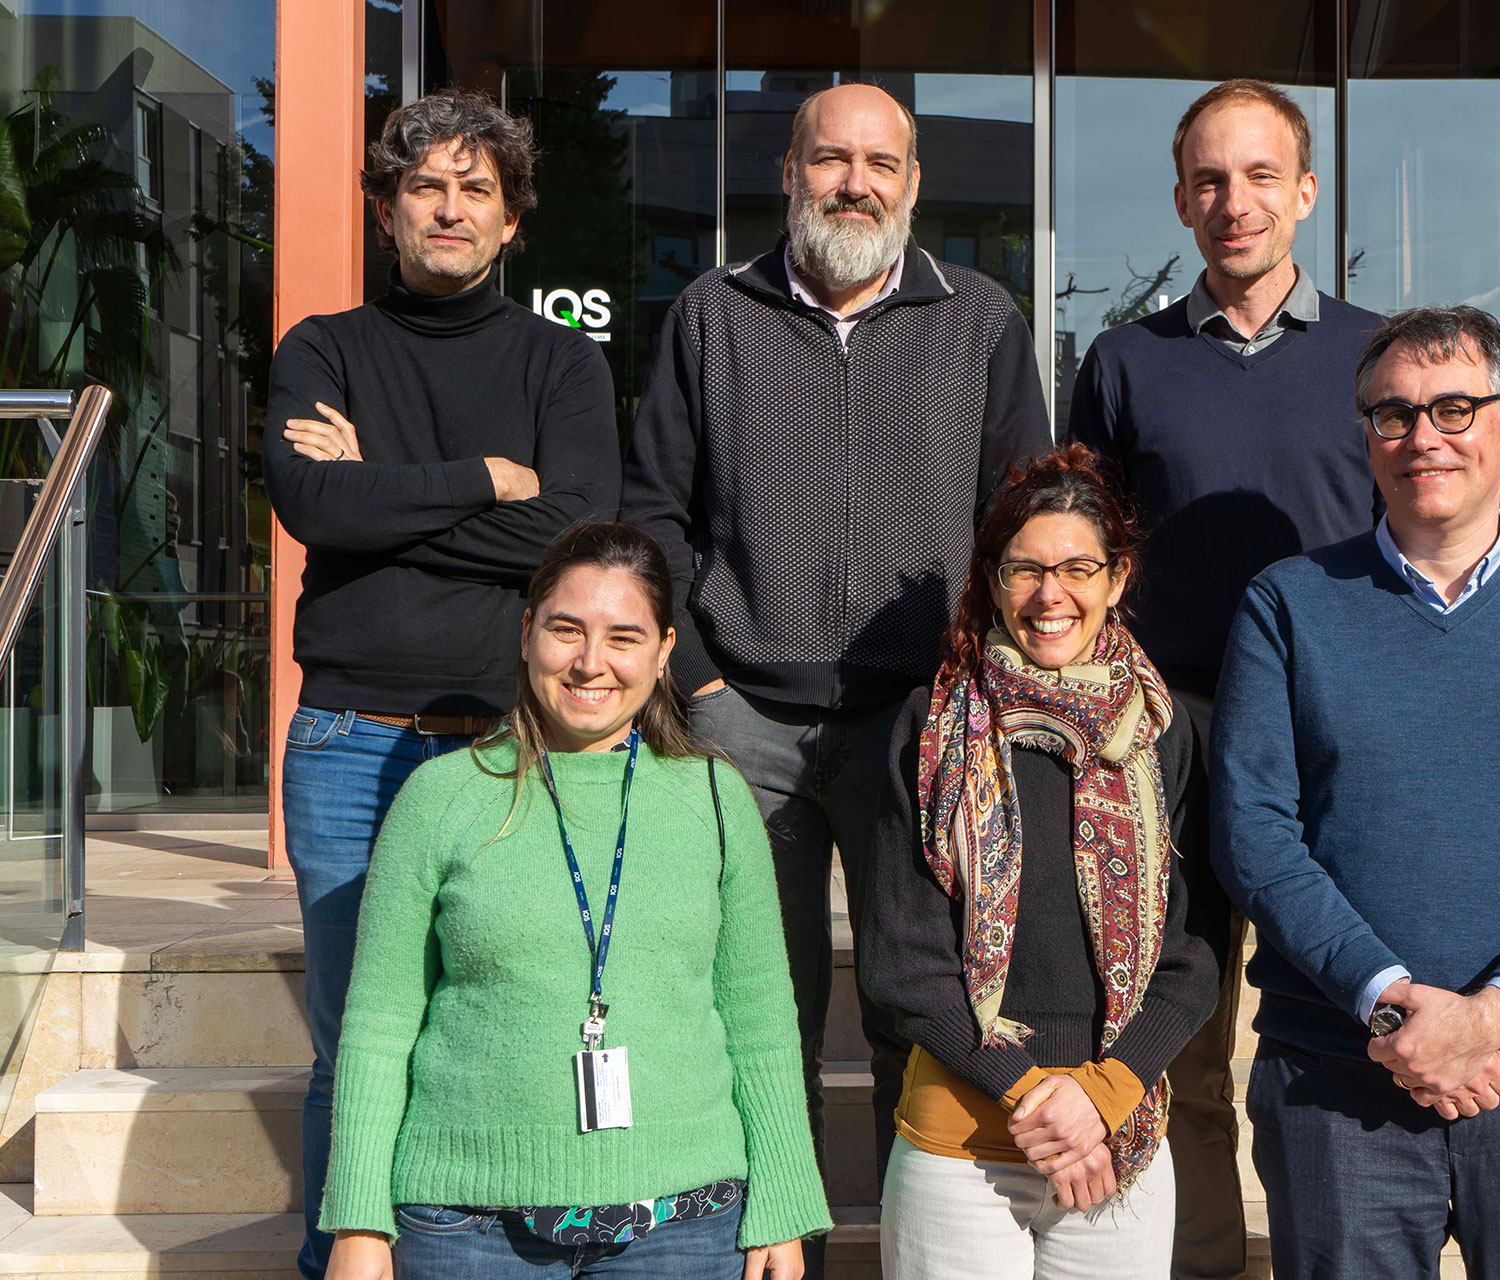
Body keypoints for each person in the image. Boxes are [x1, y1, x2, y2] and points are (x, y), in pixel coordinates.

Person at [621, 78, 1053, 1250]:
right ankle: (783, 1252)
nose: (853, 183)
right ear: (789, 173)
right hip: (743, 721)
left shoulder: (980, 318)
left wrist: (972, 691)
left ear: (911, 183)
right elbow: (655, 512)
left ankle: (924, 1254)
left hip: (918, 728)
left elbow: (1022, 519)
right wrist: (699, 682)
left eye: (879, 163)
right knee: (762, 1018)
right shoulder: (712, 314)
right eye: (830, 158)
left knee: (920, 1010)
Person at [1211, 305, 1500, 1280]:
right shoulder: (1288, 605)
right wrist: (1391, 1004)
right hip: (1339, 1079)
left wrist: (1492, 1016)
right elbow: (1253, 833)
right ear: (1368, 435)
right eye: (1394, 414)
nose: (1423, 436)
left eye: (1454, 408)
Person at [264, 88, 618, 1280]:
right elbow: (313, 502)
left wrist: (386, 489)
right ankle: (342, 1258)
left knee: (507, 1023)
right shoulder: (322, 348)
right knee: (355, 1040)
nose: (450, 208)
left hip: (512, 748)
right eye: (426, 187)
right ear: (387, 210)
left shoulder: (560, 362)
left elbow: (577, 536)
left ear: (512, 219)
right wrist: (484, 477)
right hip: (350, 741)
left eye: (477, 189)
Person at [319, 523, 831, 1280]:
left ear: (664, 652)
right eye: (567, 630)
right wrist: (359, 1221)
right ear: (528, 633)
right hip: (468, 1226)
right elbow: (378, 1022)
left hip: (685, 1228)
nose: (591, 662)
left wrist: (783, 1203)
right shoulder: (440, 798)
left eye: (624, 638)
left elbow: (759, 1017)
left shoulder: (716, 799)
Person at [1065, 78, 1382, 1278]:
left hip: (1330, 732)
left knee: (1335, 1017)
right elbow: (1082, 549)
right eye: (1210, 179)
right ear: (1181, 201)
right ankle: (1202, 1258)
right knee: (1179, 1032)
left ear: (1305, 192)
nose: (1234, 201)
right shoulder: (1122, 361)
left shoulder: (1374, 356)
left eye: (1259, 176)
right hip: (1170, 736)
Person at [861, 445, 1229, 1279]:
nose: (1049, 594)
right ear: (992, 582)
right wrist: (1034, 1096)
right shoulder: (932, 727)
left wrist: (1103, 1096)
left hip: (1117, 1138)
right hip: (958, 1149)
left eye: (1076, 569)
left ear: (1117, 577)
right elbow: (901, 960)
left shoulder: (1164, 733)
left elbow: (1196, 949)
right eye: (1024, 569)